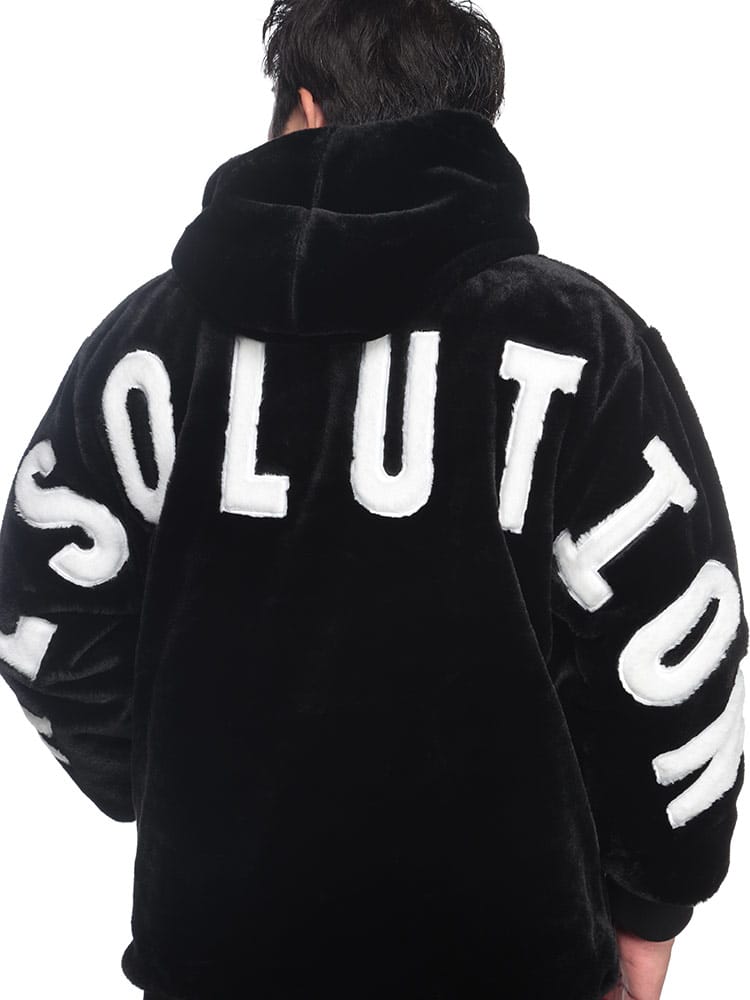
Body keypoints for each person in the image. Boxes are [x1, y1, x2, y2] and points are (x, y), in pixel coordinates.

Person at [0, 2, 745, 999]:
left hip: (221, 953)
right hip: (512, 955)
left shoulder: (147, 346)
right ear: (469, 127)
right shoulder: (579, 339)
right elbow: (679, 648)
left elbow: (41, 616)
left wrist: (174, 783)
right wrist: (652, 912)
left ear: (303, 108)